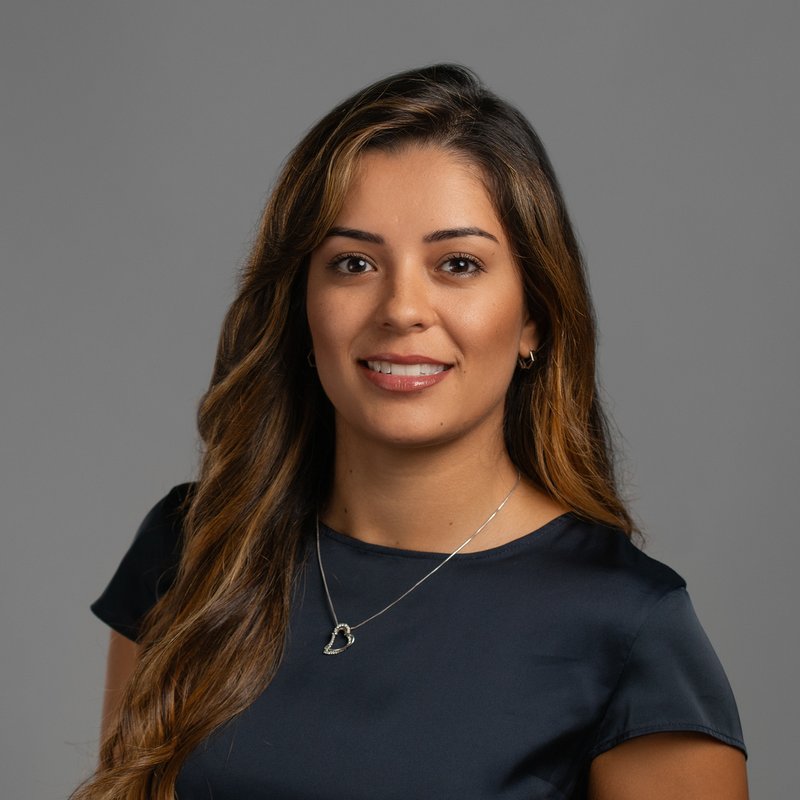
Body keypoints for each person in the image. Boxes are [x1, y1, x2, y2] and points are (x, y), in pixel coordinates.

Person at [73, 64, 748, 799]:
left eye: (457, 264)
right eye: (353, 263)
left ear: (534, 317)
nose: (401, 308)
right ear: (303, 306)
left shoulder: (628, 625)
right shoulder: (193, 548)